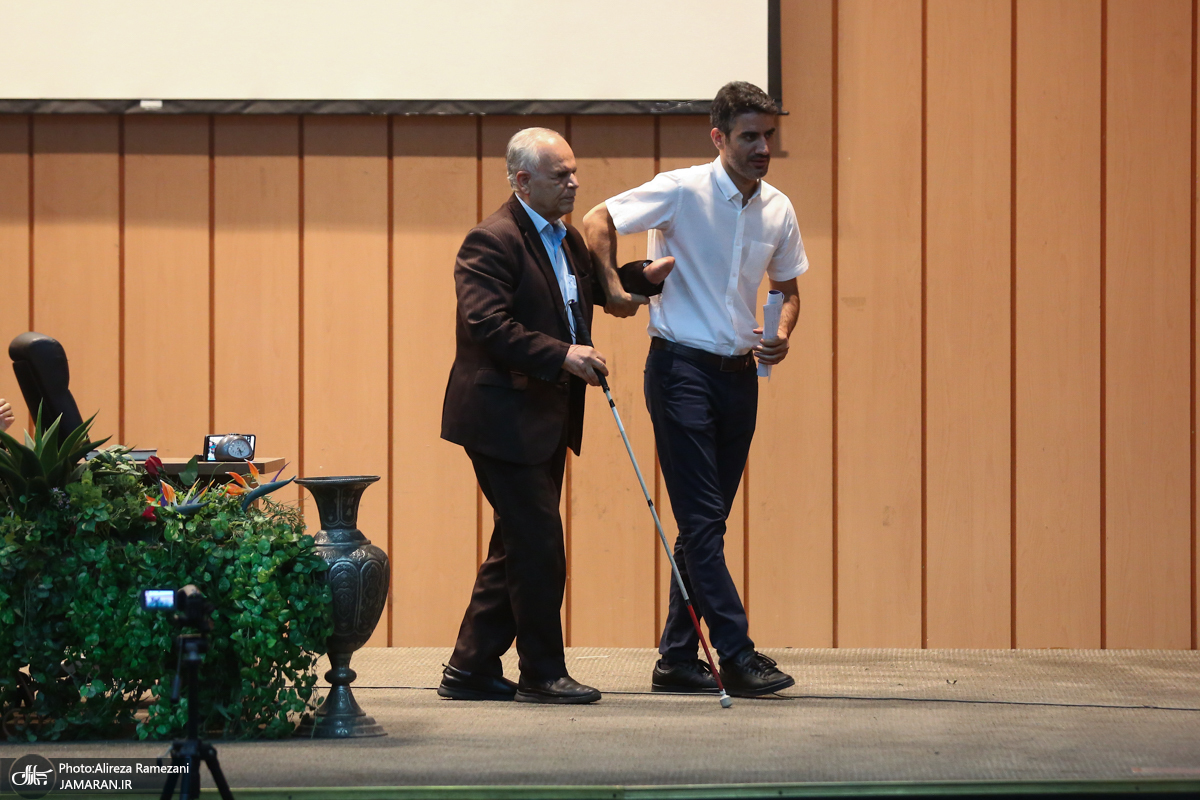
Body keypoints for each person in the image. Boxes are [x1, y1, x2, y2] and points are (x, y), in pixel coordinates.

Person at [582, 81, 808, 698]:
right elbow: (597, 219)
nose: (763, 148)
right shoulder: (681, 189)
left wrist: (782, 332)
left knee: (704, 524)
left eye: (768, 136)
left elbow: (788, 291)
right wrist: (613, 289)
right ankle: (735, 652)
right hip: (680, 370)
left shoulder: (778, 209)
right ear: (718, 137)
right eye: (749, 137)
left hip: (740, 378)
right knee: (704, 521)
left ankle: (677, 659)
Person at [438, 127, 670, 704]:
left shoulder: (564, 238)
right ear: (523, 180)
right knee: (539, 544)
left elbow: (582, 295)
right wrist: (563, 354)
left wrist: (640, 277)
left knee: (517, 543)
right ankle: (542, 672)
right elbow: (486, 324)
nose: (574, 183)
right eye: (560, 175)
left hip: (542, 416)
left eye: (574, 171)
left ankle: (470, 667)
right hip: (499, 416)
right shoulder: (491, 241)